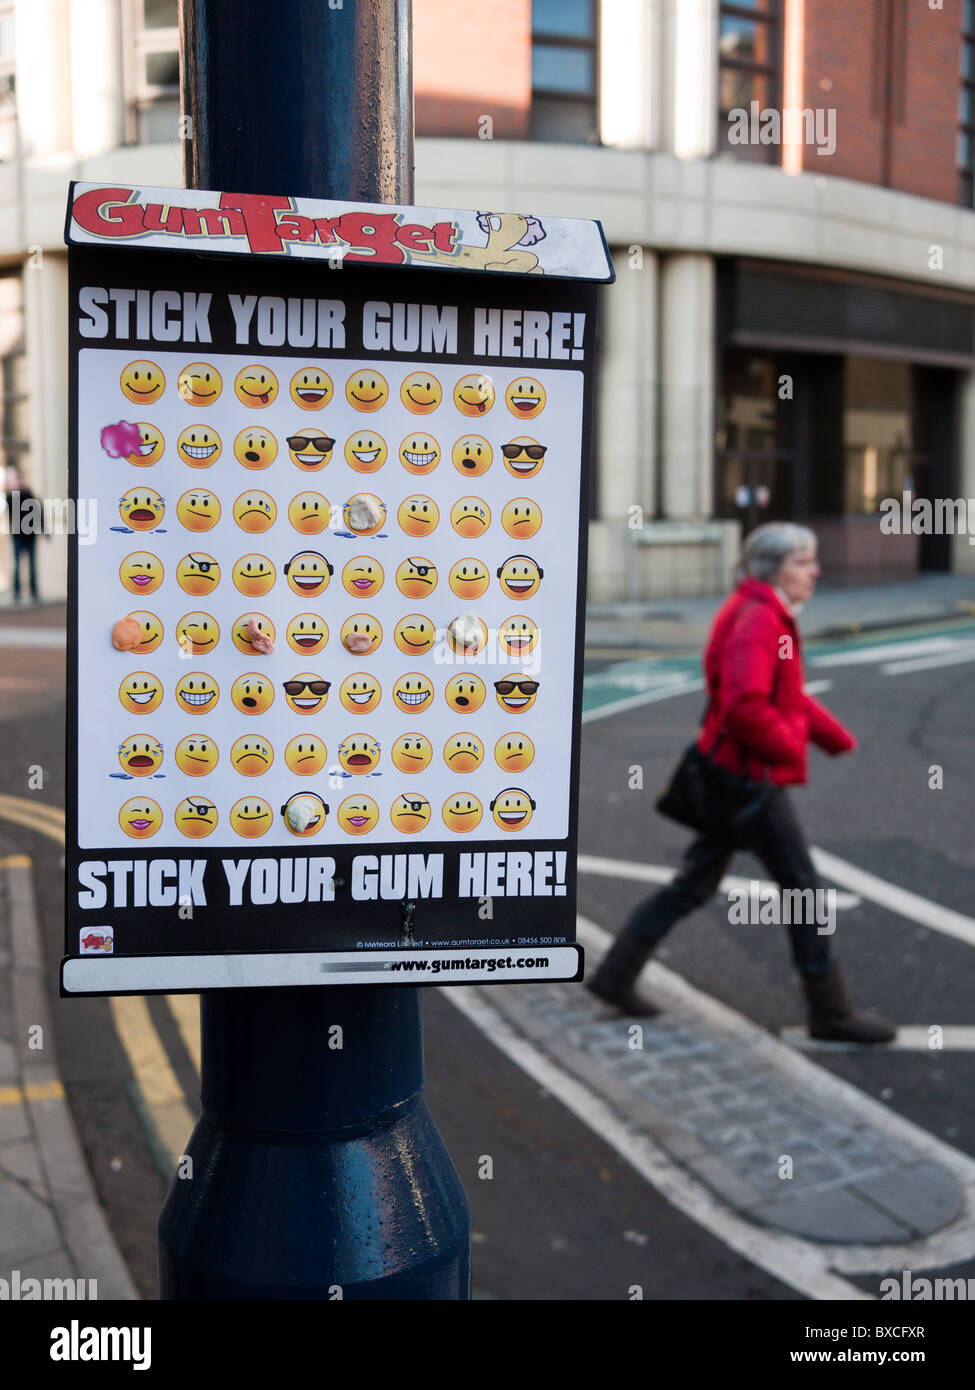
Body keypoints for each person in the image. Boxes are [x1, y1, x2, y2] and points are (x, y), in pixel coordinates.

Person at [588, 521, 896, 1045]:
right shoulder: (761, 620)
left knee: (694, 884)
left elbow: (786, 696)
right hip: (748, 784)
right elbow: (746, 705)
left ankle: (616, 974)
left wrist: (834, 737)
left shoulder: (761, 609)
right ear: (773, 568)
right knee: (803, 891)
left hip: (733, 776)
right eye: (803, 562)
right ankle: (829, 1011)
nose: (815, 571)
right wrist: (790, 746)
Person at [5, 472, 40, 604]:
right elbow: (9, 505)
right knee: (17, 566)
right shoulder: (12, 497)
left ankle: (34, 592)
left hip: (30, 536)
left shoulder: (29, 495)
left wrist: (43, 530)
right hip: (18, 536)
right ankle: (17, 592)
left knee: (32, 566)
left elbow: (38, 512)